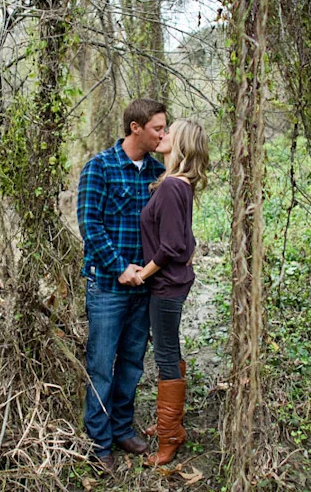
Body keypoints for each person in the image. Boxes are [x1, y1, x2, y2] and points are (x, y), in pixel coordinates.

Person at [77, 99, 168, 471]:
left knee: (132, 362)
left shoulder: (158, 173)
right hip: (108, 288)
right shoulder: (99, 168)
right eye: (158, 128)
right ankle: (99, 443)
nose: (163, 134)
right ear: (135, 127)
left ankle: (122, 428)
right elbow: (89, 225)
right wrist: (118, 268)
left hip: (143, 286)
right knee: (101, 366)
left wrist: (145, 273)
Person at [136, 119, 209, 466]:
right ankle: (171, 425)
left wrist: (142, 274)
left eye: (169, 132)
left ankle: (170, 437)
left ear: (180, 144)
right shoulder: (180, 185)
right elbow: (187, 242)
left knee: (164, 354)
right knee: (170, 349)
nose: (162, 136)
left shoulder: (170, 188)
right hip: (174, 284)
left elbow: (170, 246)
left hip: (164, 286)